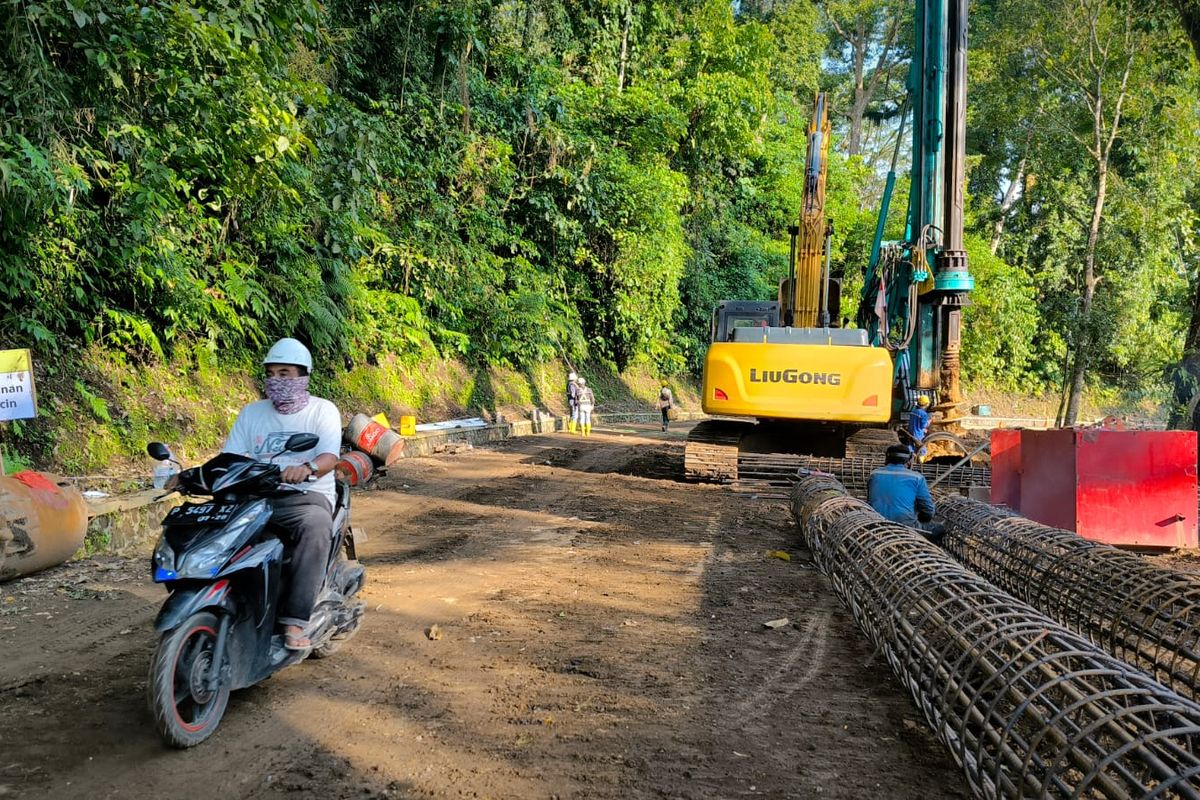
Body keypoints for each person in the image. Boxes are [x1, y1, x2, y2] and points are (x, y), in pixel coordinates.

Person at [222, 338, 343, 650]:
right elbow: (230, 459)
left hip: (305, 496)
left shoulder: (322, 410)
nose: (276, 380)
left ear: (303, 376)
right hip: (257, 498)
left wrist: (307, 467)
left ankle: (294, 620)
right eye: (271, 374)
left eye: (284, 373)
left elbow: (329, 457)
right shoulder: (252, 413)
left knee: (315, 525)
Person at [867, 445, 944, 542]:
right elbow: (928, 510)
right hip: (906, 527)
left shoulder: (874, 475)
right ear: (909, 460)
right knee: (938, 529)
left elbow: (870, 500)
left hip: (876, 524)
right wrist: (921, 518)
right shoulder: (917, 478)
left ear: (887, 458)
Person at [906, 395, 931, 459]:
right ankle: (920, 463)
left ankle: (909, 460)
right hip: (918, 435)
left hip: (910, 433)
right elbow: (924, 425)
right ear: (926, 404)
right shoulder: (924, 414)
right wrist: (929, 422)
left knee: (911, 448)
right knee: (922, 450)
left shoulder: (913, 411)